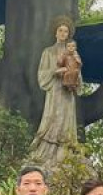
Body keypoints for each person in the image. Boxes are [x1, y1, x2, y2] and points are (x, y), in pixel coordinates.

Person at [30, 16, 81, 166]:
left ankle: (65, 152)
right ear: (55, 32)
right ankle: (47, 152)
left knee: (66, 119)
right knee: (52, 117)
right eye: (60, 30)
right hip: (54, 91)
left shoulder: (72, 53)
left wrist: (75, 77)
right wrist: (55, 71)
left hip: (67, 92)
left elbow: (78, 71)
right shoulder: (48, 52)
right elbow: (42, 73)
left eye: (66, 31)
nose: (63, 33)